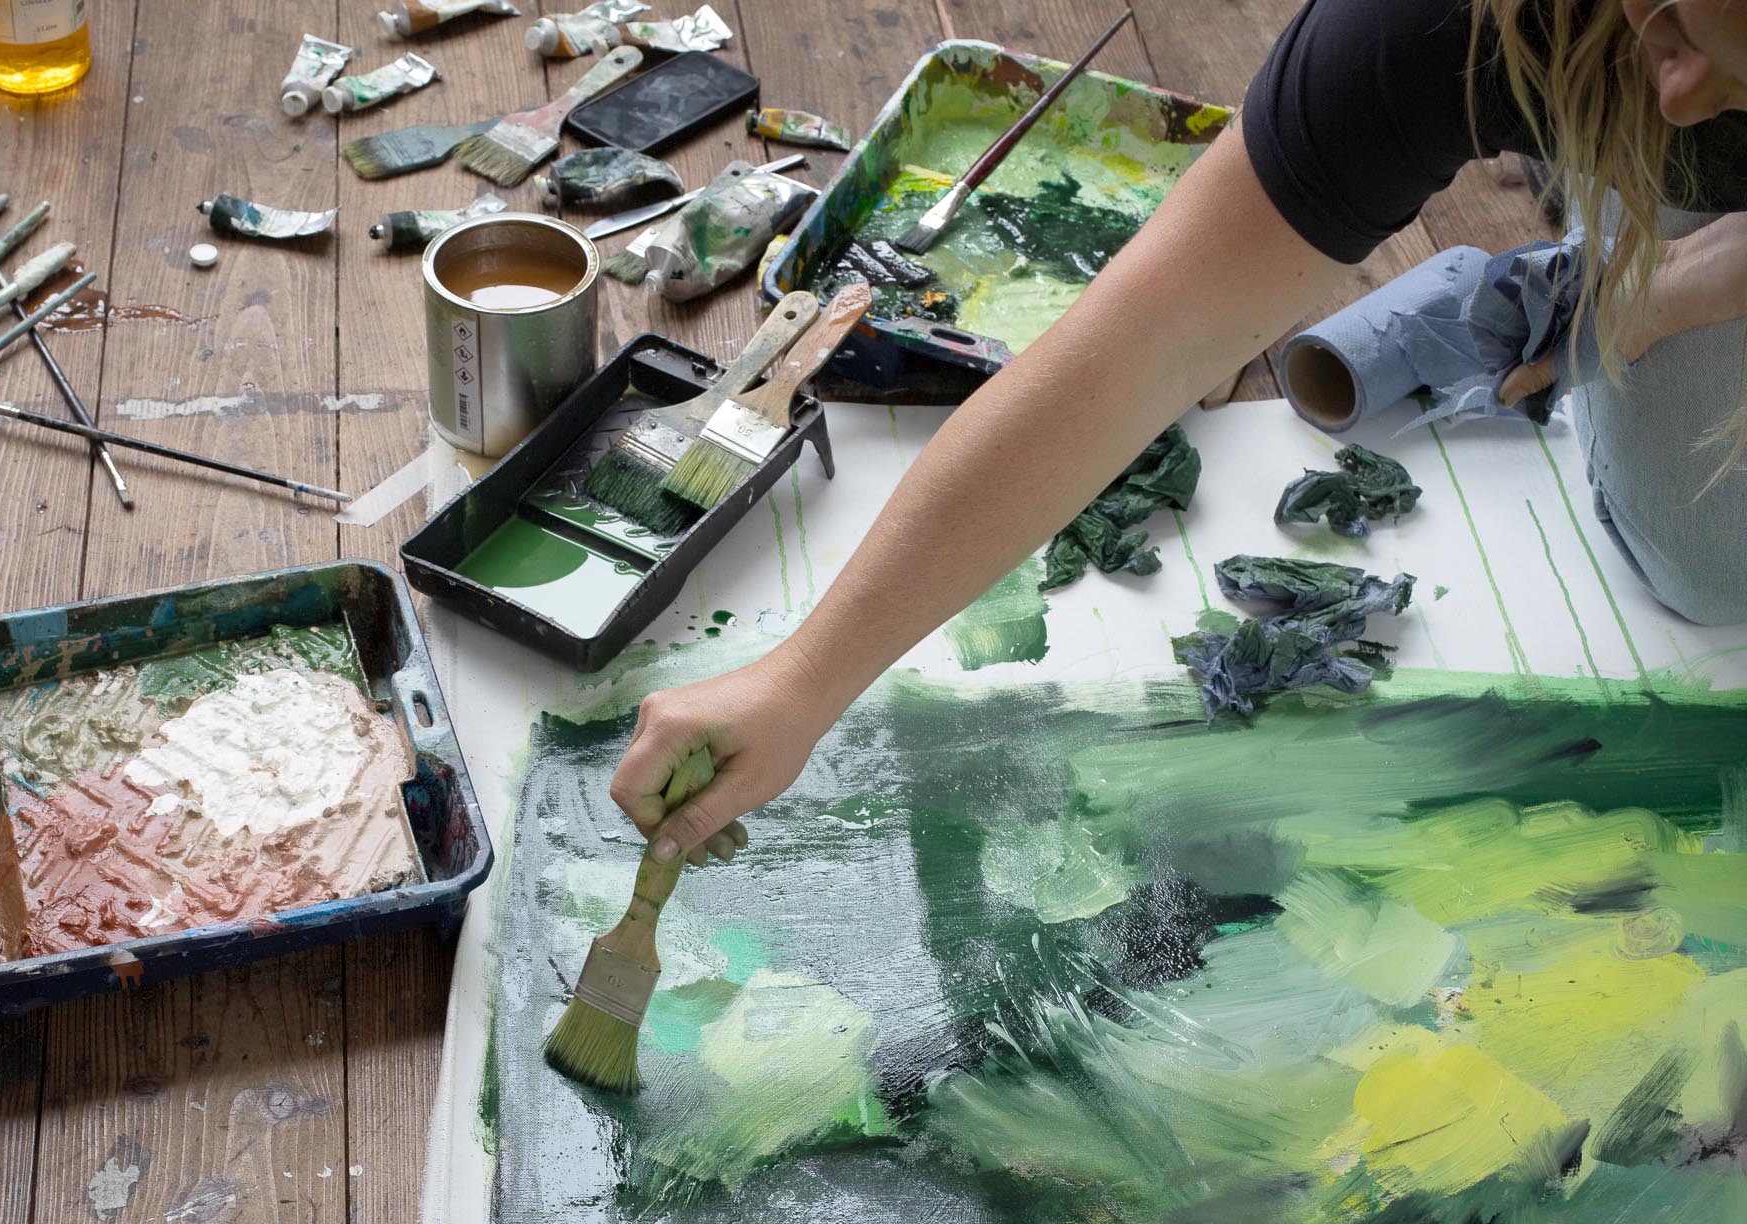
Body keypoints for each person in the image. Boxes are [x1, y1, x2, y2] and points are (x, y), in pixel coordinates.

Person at [611, 0, 1747, 869]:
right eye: (1664, 18)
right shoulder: (1436, 28)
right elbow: (1145, 346)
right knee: (1693, 563)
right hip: (1602, 98)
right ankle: (1604, 239)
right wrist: (802, 680)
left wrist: (1703, 285)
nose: (1684, 82)